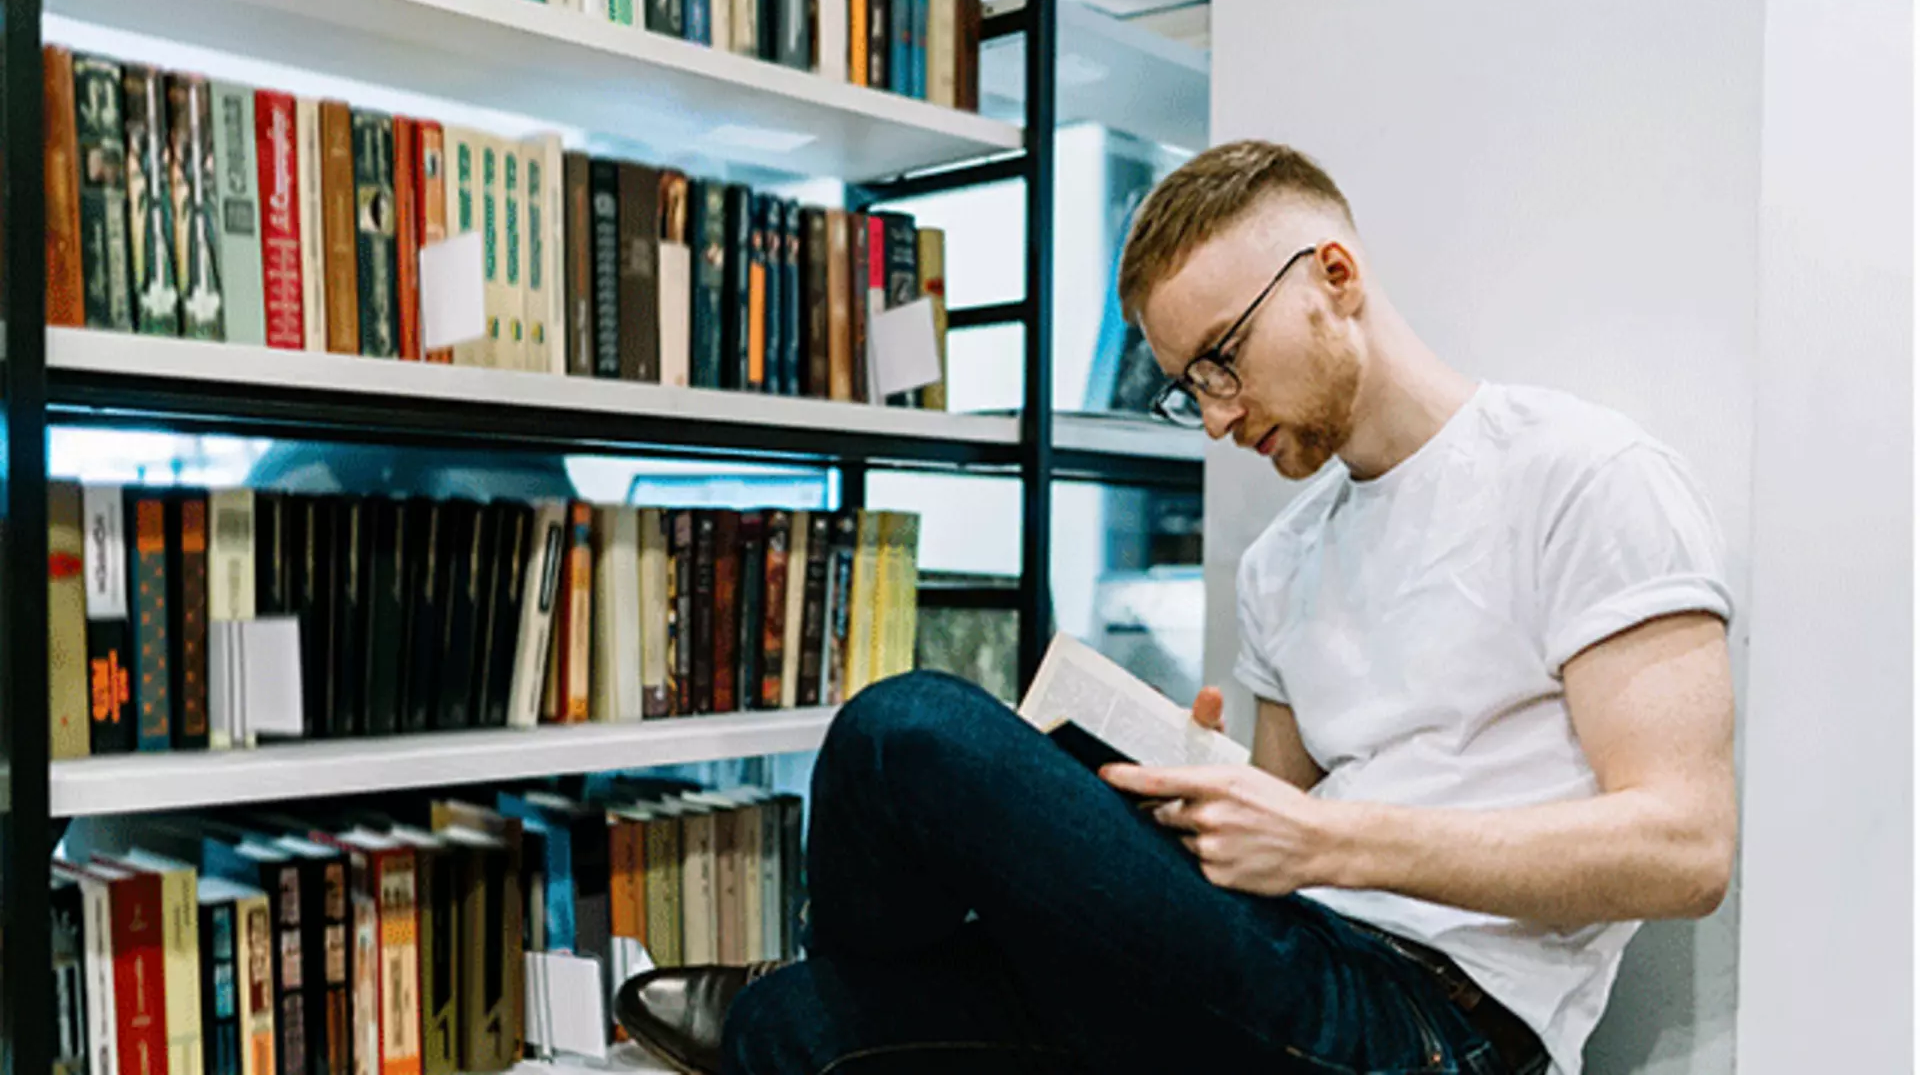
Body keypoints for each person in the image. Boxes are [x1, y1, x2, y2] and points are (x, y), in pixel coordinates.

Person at [613, 140, 1738, 1075]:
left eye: (1222, 361)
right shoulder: (1286, 558)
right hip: (1288, 957)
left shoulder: (1582, 475)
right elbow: (1275, 833)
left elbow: (1686, 848)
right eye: (1189, 385)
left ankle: (837, 982)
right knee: (793, 1031)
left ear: (1333, 278)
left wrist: (1325, 839)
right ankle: (828, 995)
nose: (1215, 417)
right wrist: (1188, 794)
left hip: (1439, 1025)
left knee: (903, 733)